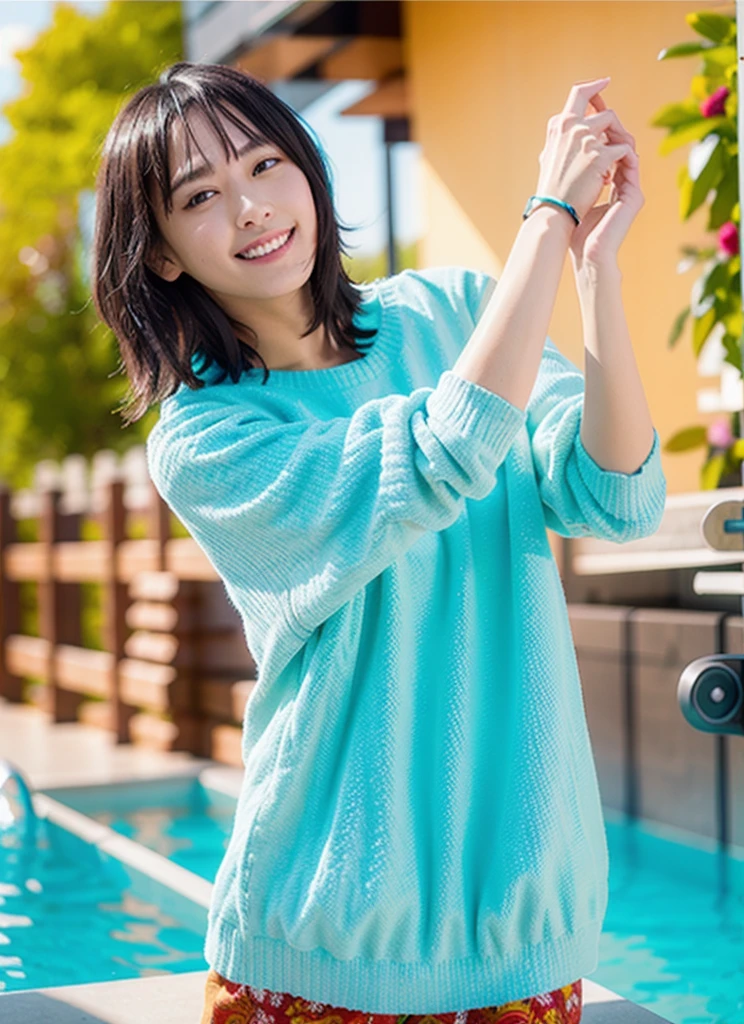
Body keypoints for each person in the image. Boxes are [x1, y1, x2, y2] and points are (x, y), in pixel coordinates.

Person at [91, 62, 665, 1024]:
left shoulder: (456, 311)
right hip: (319, 952)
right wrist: (545, 215)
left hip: (519, 936)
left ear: (308, 172)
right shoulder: (206, 440)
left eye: (266, 164)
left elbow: (616, 498)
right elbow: (444, 449)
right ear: (162, 256)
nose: (249, 208)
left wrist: (594, 270)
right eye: (200, 196)